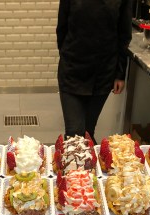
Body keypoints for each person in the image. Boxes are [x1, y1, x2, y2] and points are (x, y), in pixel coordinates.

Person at [57, 0, 133, 144]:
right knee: (74, 134)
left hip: (104, 71)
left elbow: (124, 35)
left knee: (88, 132)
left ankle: (91, 157)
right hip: (72, 69)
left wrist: (120, 73)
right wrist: (67, 56)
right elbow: (61, 29)